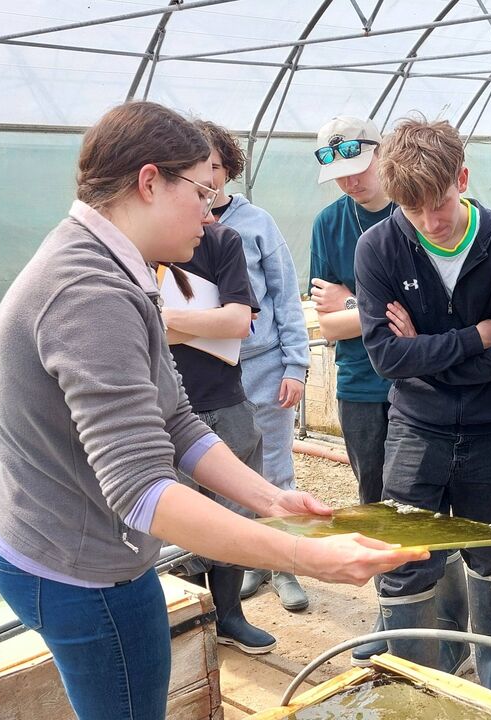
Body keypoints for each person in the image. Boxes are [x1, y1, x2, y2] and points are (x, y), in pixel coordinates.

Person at [0, 100, 427, 720]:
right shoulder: (88, 294)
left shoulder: (118, 265)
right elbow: (141, 491)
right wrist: (304, 554)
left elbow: (176, 420)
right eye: (201, 191)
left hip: (80, 548)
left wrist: (273, 502)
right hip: (78, 569)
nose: (212, 209)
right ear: (148, 182)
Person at [354, 118, 491, 701]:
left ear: (462, 177)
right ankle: (416, 674)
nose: (430, 220)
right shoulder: (379, 246)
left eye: (439, 202)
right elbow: (384, 357)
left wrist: (424, 350)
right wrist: (473, 338)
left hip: (488, 426)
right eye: (412, 209)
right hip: (416, 425)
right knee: (405, 552)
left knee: (489, 543)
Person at [195, 121, 312, 612]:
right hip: (209, 374)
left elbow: (287, 297)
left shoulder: (256, 223)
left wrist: (296, 366)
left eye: (216, 167)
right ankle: (247, 563)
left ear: (228, 168)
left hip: (261, 368)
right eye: (197, 169)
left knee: (275, 472)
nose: (207, 178)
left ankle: (285, 566)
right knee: (224, 476)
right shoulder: (181, 228)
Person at [162, 213, 278, 655]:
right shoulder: (138, 248)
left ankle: (229, 616)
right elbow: (146, 330)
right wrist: (208, 319)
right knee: (181, 518)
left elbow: (237, 323)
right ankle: (194, 623)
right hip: (169, 405)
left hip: (226, 398)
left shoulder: (222, 241)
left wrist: (169, 317)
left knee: (233, 512)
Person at [307, 115, 398, 666]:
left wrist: (350, 305)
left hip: (417, 378)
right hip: (361, 383)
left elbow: (423, 312)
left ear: (380, 152)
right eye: (340, 176)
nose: (351, 182)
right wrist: (367, 311)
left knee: (426, 497)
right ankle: (390, 613)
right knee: (373, 500)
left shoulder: (412, 208)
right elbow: (326, 321)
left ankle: (439, 608)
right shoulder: (329, 224)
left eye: (358, 168)